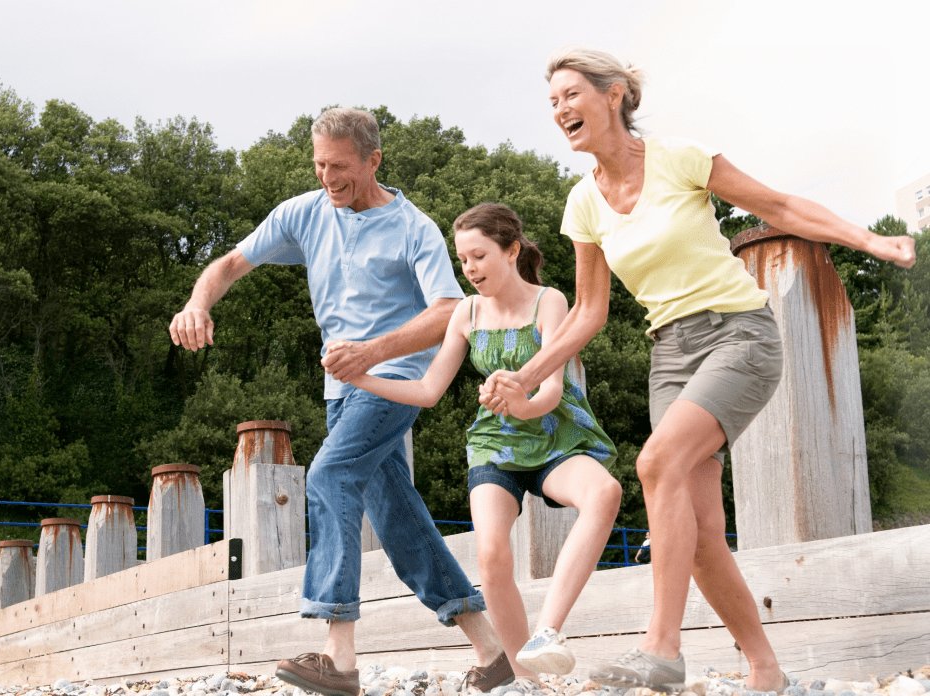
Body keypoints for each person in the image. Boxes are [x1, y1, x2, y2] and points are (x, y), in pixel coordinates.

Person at [479, 46, 916, 694]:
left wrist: (871, 241)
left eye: (571, 95)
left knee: (655, 464)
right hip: (669, 356)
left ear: (615, 95)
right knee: (704, 532)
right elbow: (590, 313)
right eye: (552, 103)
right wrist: (525, 373)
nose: (560, 110)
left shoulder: (680, 157)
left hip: (739, 334)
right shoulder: (583, 206)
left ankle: (662, 649)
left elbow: (782, 207)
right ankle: (765, 669)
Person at [169, 107, 510, 696]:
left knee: (327, 476)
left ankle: (339, 656)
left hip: (394, 381)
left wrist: (373, 353)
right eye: (320, 165)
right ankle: (491, 648)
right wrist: (197, 303)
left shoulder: (413, 228)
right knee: (400, 522)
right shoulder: (303, 213)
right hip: (340, 389)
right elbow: (228, 264)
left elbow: (449, 311)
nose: (328, 178)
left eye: (341, 166)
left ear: (373, 160)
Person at [343, 202, 622, 685]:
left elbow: (552, 390)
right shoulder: (466, 314)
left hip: (557, 436)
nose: (469, 270)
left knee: (605, 493)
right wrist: (362, 377)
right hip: (494, 444)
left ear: (511, 251)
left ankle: (548, 631)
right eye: (463, 260)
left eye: (479, 256)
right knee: (491, 553)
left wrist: (519, 401)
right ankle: (522, 679)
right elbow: (429, 391)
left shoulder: (549, 301)